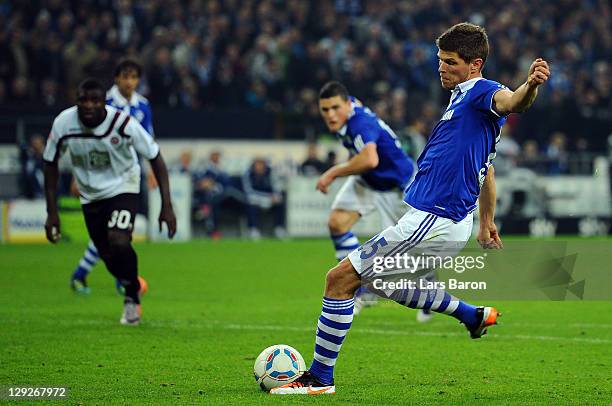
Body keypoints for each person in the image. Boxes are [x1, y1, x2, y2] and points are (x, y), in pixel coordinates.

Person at [270, 22, 550, 395]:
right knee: (389, 285)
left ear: (474, 64)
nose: (442, 68)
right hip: (442, 222)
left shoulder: (484, 92)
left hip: (432, 221)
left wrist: (529, 85)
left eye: (450, 62)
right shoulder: (463, 104)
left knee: (338, 281)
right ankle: (473, 315)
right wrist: (486, 222)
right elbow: (488, 169)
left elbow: (513, 102)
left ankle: (320, 379)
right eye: (440, 60)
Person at [43, 78, 176, 325]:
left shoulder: (123, 123)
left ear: (105, 103)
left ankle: (130, 300)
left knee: (119, 239)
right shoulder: (64, 123)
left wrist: (166, 205)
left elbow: (155, 156)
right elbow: (49, 162)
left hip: (123, 185)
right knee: (108, 256)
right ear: (77, 101)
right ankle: (133, 285)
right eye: (84, 100)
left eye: (95, 100)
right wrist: (52, 212)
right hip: (90, 195)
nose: (89, 105)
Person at [315, 81, 433, 320]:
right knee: (337, 223)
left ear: (347, 105)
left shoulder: (360, 123)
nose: (330, 114)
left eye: (335, 108)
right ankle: (357, 288)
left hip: (397, 186)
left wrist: (332, 172)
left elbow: (370, 159)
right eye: (325, 110)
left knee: (411, 251)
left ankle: (429, 288)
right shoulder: (350, 110)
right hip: (369, 181)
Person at [70, 59, 154, 294]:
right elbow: (83, 141)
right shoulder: (101, 102)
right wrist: (77, 176)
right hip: (101, 173)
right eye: (125, 76)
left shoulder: (143, 106)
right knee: (113, 233)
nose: (129, 82)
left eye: (134, 77)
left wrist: (151, 172)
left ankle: (98, 275)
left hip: (129, 176)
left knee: (118, 232)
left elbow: (148, 141)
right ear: (116, 78)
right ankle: (117, 277)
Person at [242, 157, 286, 240]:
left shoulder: (271, 173)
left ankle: (279, 228)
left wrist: (276, 196)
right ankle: (253, 229)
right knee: (251, 204)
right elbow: (249, 191)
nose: (259, 167)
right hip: (256, 199)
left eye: (261, 164)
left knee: (280, 203)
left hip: (269, 200)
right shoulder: (247, 174)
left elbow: (277, 186)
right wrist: (268, 197)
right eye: (257, 164)